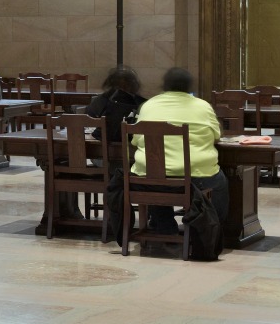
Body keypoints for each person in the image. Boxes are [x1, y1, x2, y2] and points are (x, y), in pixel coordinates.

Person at [130, 66, 228, 261]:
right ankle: (210, 232)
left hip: (149, 179)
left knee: (158, 176)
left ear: (164, 86)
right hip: (196, 178)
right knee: (221, 183)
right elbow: (216, 136)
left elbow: (136, 140)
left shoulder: (148, 106)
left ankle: (165, 228)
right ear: (189, 87)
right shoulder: (202, 106)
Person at [86, 65, 146, 243]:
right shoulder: (142, 104)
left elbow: (89, 127)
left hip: (101, 161)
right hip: (131, 162)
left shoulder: (99, 101)